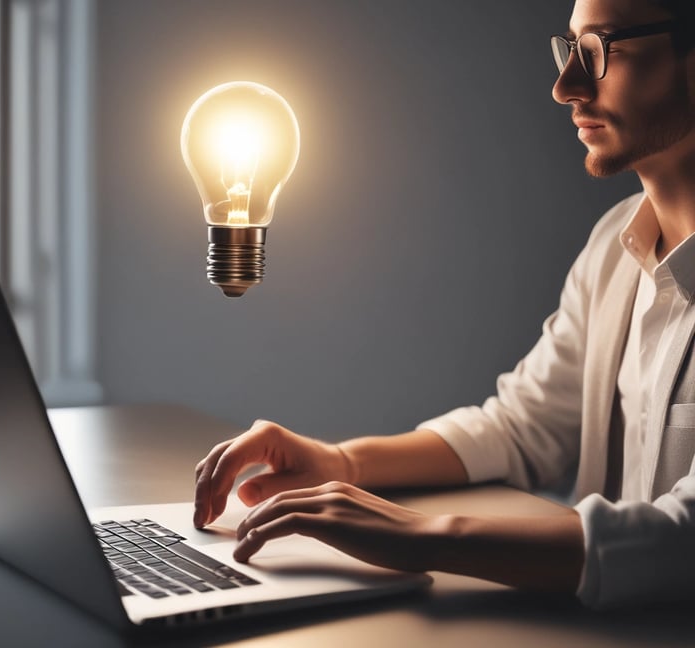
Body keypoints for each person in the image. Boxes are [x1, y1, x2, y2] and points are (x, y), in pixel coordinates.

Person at [193, 0, 695, 610]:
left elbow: (682, 539)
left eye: (599, 51)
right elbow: (521, 426)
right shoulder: (616, 246)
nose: (566, 87)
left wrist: (425, 537)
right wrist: (341, 461)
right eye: (570, 50)